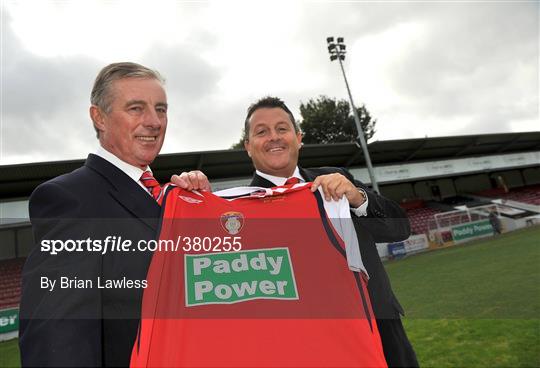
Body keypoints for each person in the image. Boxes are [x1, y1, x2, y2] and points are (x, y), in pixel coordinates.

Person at [19, 62, 209, 367]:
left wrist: (202, 212)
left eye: (161, 109)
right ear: (99, 117)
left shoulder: (172, 196)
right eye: (136, 108)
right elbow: (57, 335)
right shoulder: (71, 198)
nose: (154, 121)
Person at [243, 96, 419, 367]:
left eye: (282, 128)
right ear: (248, 146)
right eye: (261, 131)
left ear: (298, 137)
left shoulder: (337, 179)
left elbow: (399, 228)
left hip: (380, 327)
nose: (274, 138)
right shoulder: (240, 207)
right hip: (307, 341)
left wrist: (358, 197)